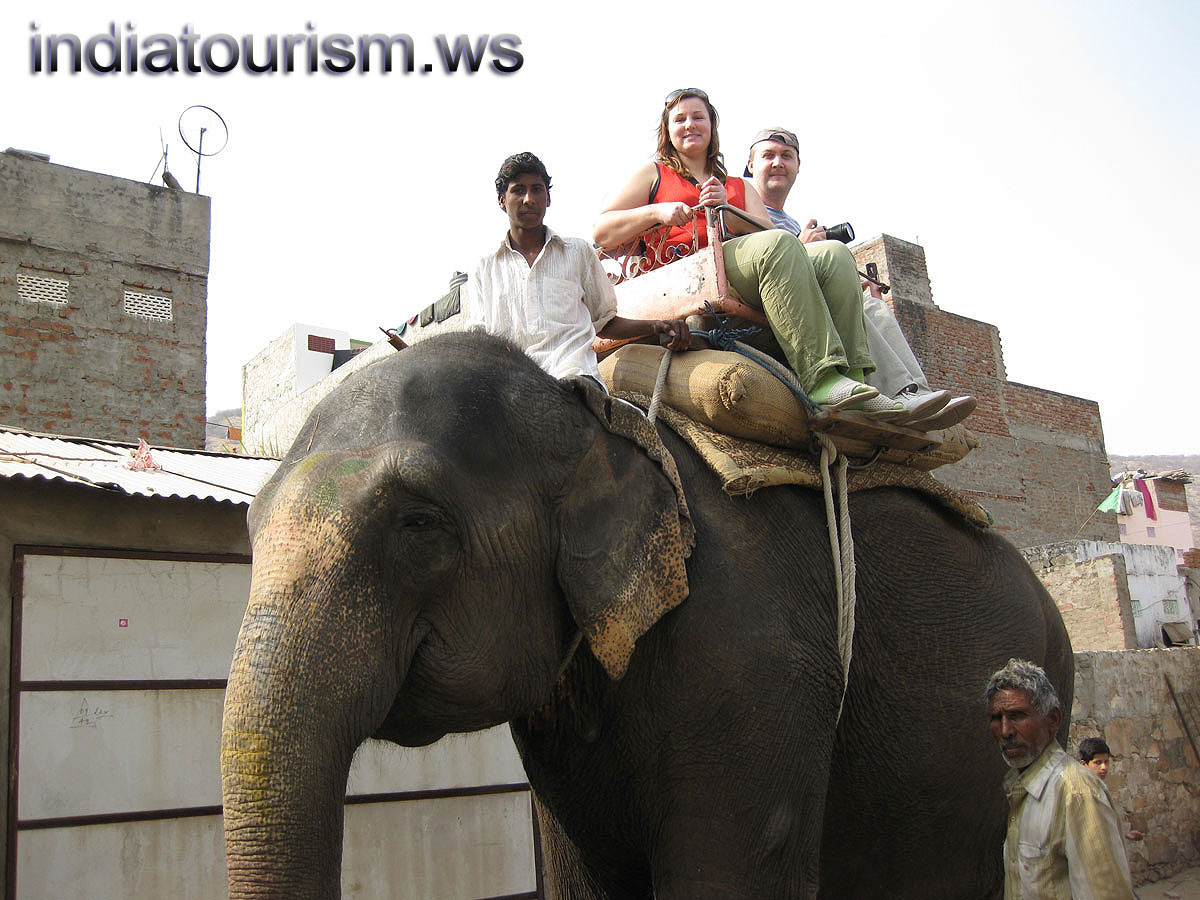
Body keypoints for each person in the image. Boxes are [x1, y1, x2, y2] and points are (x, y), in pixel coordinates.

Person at [593, 88, 900, 414]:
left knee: (834, 253)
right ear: (667, 131)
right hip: (691, 273)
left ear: (712, 127)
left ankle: (853, 378)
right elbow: (602, 229)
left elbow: (780, 239)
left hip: (746, 268)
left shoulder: (738, 186)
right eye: (679, 119)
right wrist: (658, 212)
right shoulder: (655, 173)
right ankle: (821, 377)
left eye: (698, 117)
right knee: (777, 243)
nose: (689, 125)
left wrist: (728, 211)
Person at [743, 126, 975, 431]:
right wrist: (802, 244)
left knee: (874, 307)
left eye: (787, 156)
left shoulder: (791, 220)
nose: (778, 163)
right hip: (779, 301)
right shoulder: (742, 205)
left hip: (808, 293)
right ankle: (893, 393)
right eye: (768, 155)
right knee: (851, 293)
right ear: (750, 165)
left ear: (798, 166)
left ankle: (915, 393)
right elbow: (758, 265)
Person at [461, 152, 689, 384]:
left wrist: (657, 326)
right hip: (513, 387)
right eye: (518, 190)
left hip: (575, 379)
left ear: (548, 199)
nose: (528, 199)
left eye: (537, 189)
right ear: (502, 200)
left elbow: (605, 323)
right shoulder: (484, 268)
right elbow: (479, 343)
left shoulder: (577, 252)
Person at [985, 659, 1136, 899]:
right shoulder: (1018, 788)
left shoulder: (1077, 792)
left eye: (1017, 716)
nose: (1005, 731)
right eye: (996, 718)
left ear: (1053, 720)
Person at [1079, 736, 1146, 842]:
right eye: (1098, 762)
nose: (1104, 767)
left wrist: (1125, 835)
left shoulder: (1100, 789)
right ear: (1084, 764)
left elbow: (1104, 830)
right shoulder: (1081, 793)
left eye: (1106, 762)